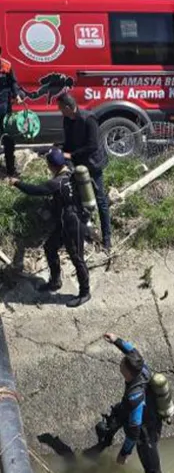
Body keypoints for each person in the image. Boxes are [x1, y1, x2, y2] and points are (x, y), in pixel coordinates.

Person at [6, 149, 90, 307]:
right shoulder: (70, 173)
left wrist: (16, 182)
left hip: (73, 224)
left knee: (77, 259)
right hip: (66, 222)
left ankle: (85, 292)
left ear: (52, 166)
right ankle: (55, 281)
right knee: (50, 247)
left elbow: (35, 190)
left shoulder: (56, 183)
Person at [82, 333, 165, 473]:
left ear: (127, 372)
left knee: (153, 472)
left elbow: (134, 432)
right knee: (107, 426)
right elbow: (131, 351)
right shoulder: (140, 365)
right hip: (129, 409)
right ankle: (101, 446)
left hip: (145, 427)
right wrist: (116, 340)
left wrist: (124, 453)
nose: (120, 363)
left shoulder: (135, 396)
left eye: (122, 364)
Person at [55, 94, 111, 251]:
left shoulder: (88, 119)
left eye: (60, 108)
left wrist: (71, 155)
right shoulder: (67, 120)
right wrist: (59, 149)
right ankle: (82, 232)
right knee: (78, 199)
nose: (59, 111)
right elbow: (69, 142)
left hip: (93, 163)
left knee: (101, 200)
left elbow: (92, 145)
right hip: (78, 163)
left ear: (67, 107)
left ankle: (107, 239)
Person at [0, 45, 29, 178]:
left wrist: (17, 94)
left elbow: (14, 83)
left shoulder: (6, 66)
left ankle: (11, 170)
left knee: (8, 141)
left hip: (6, 111)